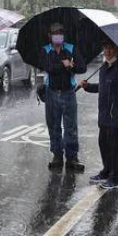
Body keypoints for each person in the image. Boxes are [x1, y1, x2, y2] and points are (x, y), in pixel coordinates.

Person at [79, 38, 118, 191]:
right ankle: (106, 172)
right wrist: (88, 86)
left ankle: (116, 179)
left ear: (117, 49)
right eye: (105, 47)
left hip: (117, 115)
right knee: (104, 145)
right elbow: (102, 88)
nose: (107, 51)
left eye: (111, 47)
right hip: (104, 115)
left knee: (117, 148)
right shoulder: (104, 67)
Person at [40, 21, 87, 172]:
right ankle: (57, 156)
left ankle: (72, 157)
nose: (58, 35)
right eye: (55, 32)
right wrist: (65, 65)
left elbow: (82, 67)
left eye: (60, 32)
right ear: (50, 35)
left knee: (71, 127)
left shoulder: (71, 48)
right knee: (54, 126)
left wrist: (71, 66)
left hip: (69, 93)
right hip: (51, 93)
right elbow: (48, 67)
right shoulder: (45, 50)